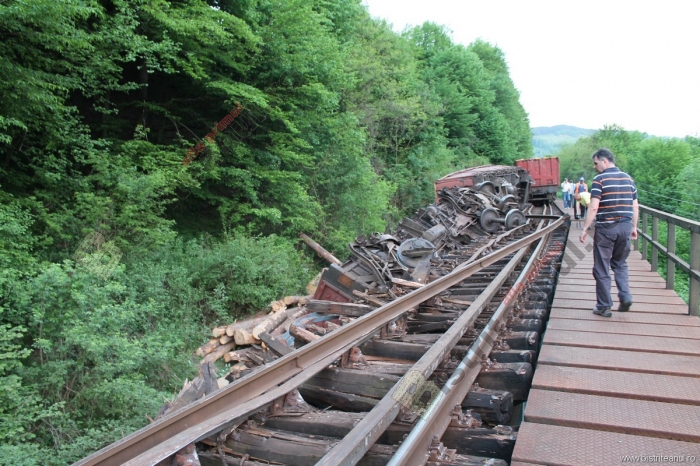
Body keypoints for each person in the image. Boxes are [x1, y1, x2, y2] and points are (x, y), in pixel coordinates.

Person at [580, 148, 639, 317]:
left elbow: (593, 206)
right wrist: (634, 227)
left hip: (606, 228)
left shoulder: (600, 179)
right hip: (626, 226)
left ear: (604, 161)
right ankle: (625, 296)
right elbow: (635, 206)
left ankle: (604, 306)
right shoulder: (629, 179)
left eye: (596, 162)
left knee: (601, 266)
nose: (595, 166)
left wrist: (585, 228)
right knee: (620, 263)